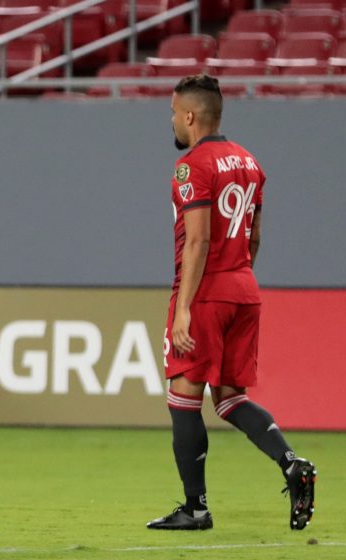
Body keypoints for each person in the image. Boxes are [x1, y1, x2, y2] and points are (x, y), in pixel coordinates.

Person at [147, 74, 317, 532]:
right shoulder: (249, 161)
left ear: (189, 116)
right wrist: (239, 277)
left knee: (183, 397)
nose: (172, 120)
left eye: (172, 112)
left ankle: (195, 508)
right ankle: (291, 463)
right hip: (244, 288)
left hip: (205, 292)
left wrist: (184, 307)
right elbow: (255, 234)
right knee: (229, 398)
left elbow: (199, 240)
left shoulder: (191, 167)